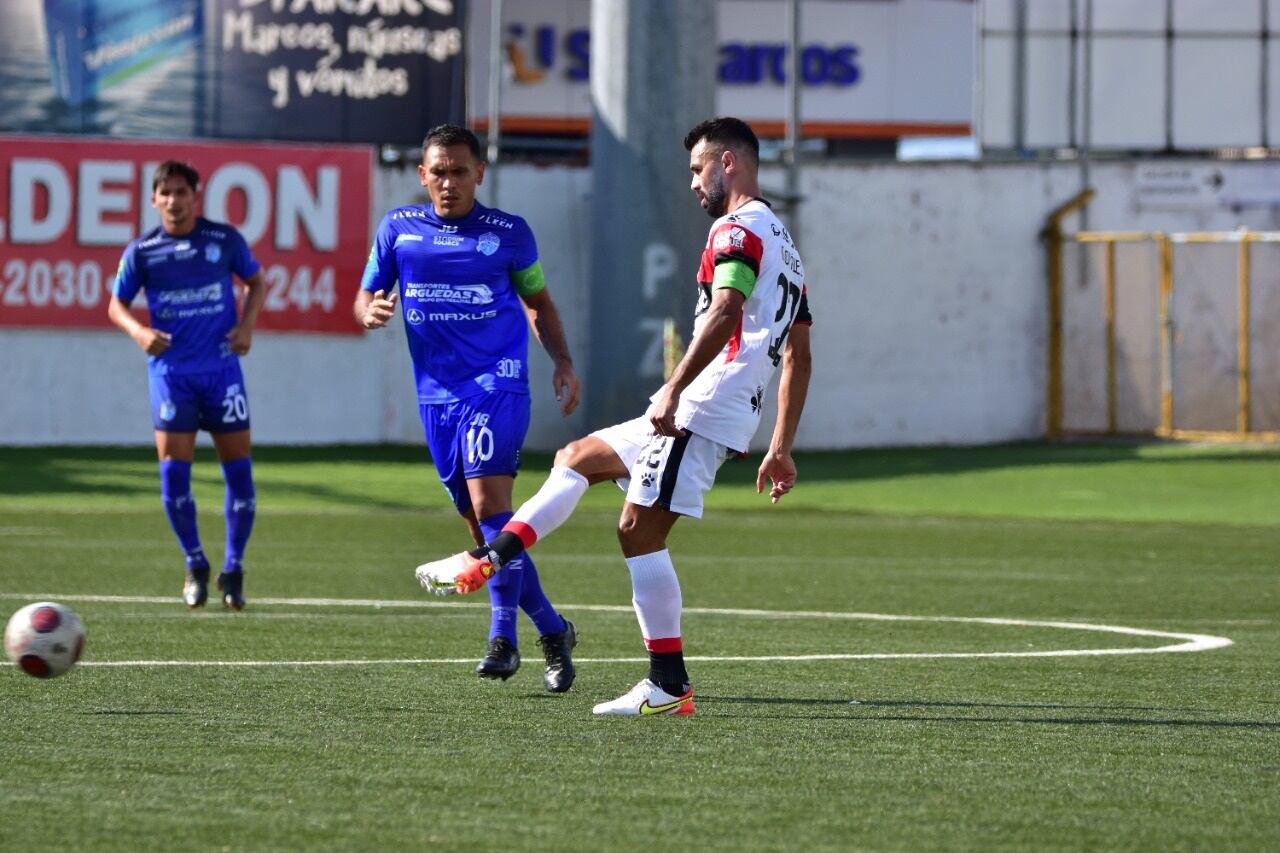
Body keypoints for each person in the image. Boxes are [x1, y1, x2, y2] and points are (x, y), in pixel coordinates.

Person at [416, 117, 813, 716]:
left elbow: (726, 311)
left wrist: (675, 388)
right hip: (714, 404)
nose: (692, 183)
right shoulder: (786, 246)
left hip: (705, 405)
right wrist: (780, 445)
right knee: (577, 458)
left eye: (697, 169)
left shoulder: (736, 230)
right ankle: (489, 558)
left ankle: (669, 684)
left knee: (638, 531)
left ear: (728, 162)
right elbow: (799, 355)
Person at [356, 124, 583, 692]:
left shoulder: (508, 234)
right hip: (436, 397)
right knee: (489, 534)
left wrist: (561, 361)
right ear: (422, 175)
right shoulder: (398, 230)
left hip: (496, 385)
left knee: (490, 507)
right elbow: (366, 293)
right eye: (439, 172)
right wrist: (368, 311)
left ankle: (502, 638)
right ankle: (554, 630)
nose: (449, 182)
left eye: (460, 171)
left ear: (479, 173)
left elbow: (538, 302)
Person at [108, 161, 266, 611]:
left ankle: (233, 569)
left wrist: (246, 327)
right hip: (171, 376)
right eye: (166, 193)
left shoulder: (223, 240)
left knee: (240, 473)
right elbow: (116, 305)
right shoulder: (143, 251)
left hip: (222, 373)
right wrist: (139, 332)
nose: (174, 200)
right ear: (154, 199)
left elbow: (256, 283)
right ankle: (195, 563)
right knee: (173, 476)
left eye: (182, 192)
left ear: (195, 197)